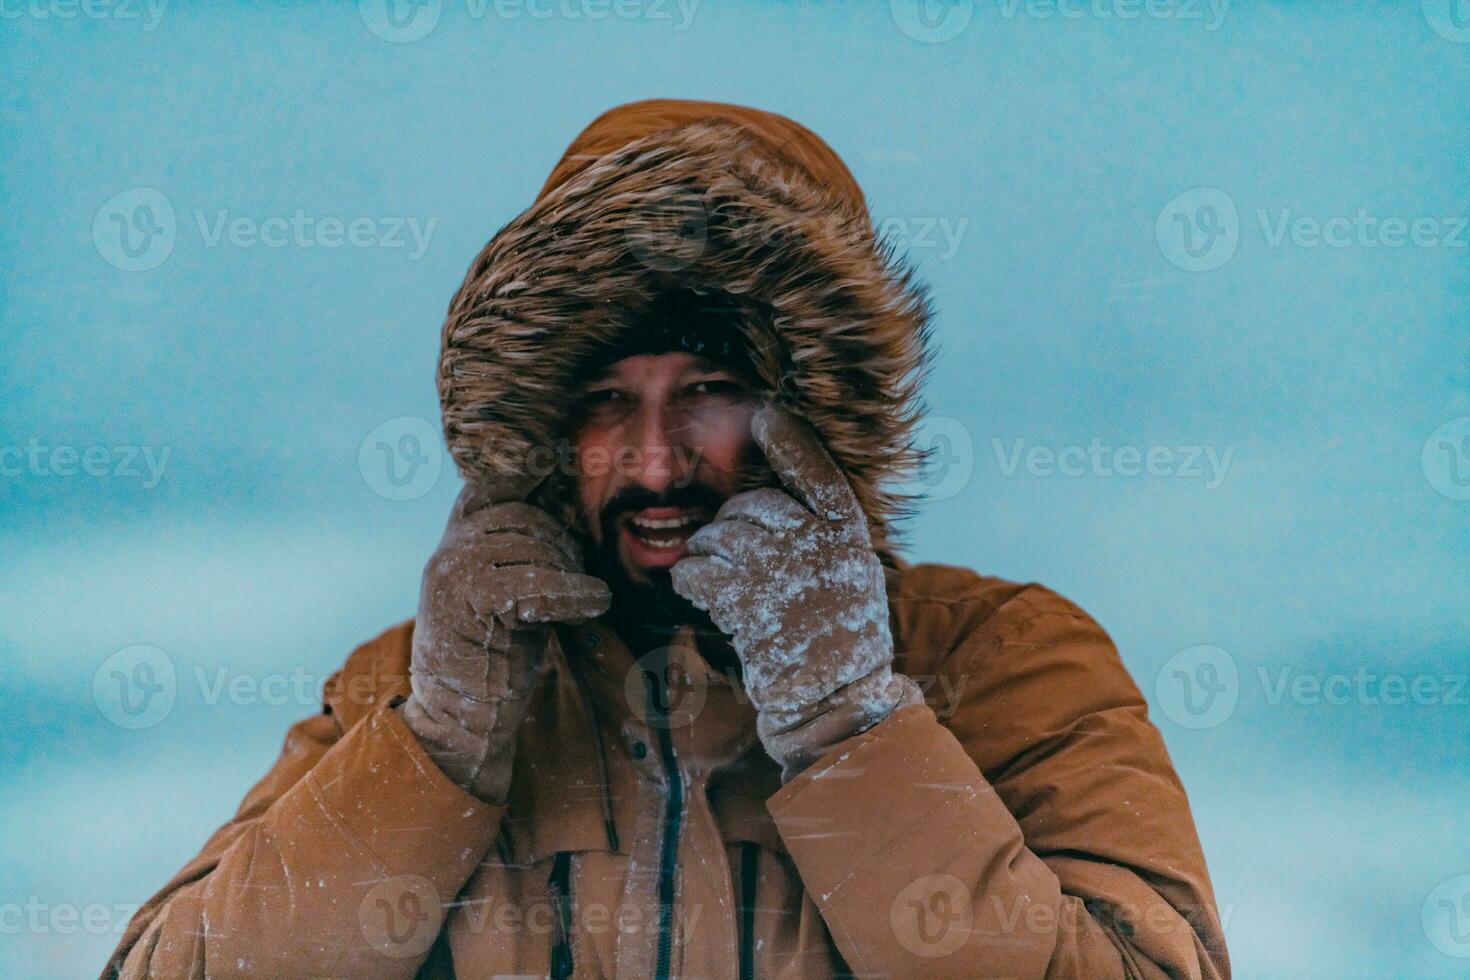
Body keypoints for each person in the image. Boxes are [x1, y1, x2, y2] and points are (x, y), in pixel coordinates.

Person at [106, 99, 1229, 979]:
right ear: (543, 425)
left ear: (818, 409)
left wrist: (850, 725)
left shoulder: (1012, 662)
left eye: (712, 387)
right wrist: (437, 748)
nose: (653, 461)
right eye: (603, 397)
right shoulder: (411, 688)